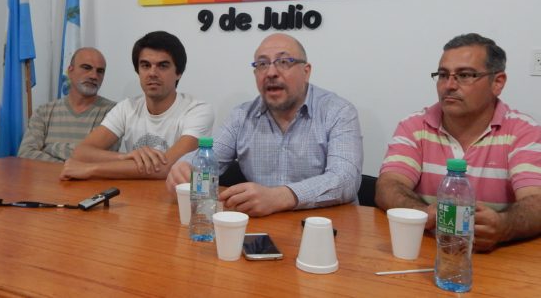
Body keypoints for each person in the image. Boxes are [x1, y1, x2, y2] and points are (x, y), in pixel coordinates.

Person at [375, 33, 541, 252]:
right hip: (428, 251)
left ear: (497, 82)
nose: (449, 86)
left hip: (499, 258)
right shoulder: (414, 125)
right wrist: (424, 213)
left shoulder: (524, 131)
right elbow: (387, 186)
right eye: (443, 75)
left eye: (464, 75)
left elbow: (536, 201)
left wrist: (504, 226)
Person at [166, 33, 363, 217]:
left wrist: (279, 197)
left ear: (306, 71)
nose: (270, 72)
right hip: (263, 230)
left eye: (284, 62)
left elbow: (345, 180)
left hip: (328, 229)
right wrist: (184, 168)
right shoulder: (242, 116)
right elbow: (207, 158)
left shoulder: (338, 112)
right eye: (262, 64)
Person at [61, 31, 214, 180]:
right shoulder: (126, 107)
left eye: (163, 66)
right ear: (138, 70)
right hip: (133, 196)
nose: (152, 73)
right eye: (145, 65)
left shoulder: (197, 110)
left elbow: (165, 168)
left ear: (179, 72)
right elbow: (81, 152)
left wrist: (91, 169)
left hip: (178, 199)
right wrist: (125, 157)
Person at [18, 48, 116, 162]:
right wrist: (68, 167)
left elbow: (102, 159)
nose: (94, 76)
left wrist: (51, 148)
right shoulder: (44, 112)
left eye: (100, 71)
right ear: (70, 71)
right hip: (45, 179)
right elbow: (25, 154)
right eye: (86, 68)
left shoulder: (113, 112)